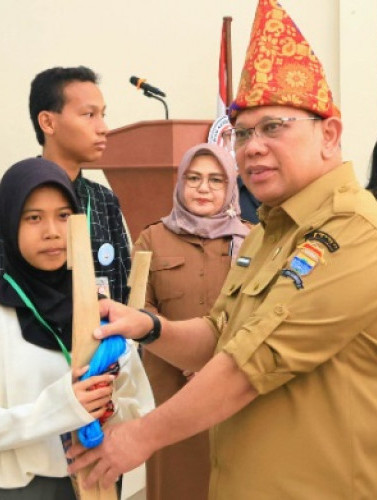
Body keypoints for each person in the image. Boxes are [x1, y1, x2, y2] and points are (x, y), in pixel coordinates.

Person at [68, 1, 377, 498]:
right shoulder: (265, 231)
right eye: (243, 132)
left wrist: (138, 438)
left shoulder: (356, 231)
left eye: (273, 127)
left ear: (329, 134)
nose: (252, 147)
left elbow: (247, 366)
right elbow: (222, 334)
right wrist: (148, 326)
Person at [0, 157, 154, 499]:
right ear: (8, 223)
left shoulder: (98, 308)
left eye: (64, 216)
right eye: (33, 217)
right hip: (9, 491)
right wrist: (58, 407)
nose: (52, 231)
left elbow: (137, 403)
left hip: (93, 485)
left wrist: (109, 410)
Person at [134, 142, 249, 500]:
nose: (203, 188)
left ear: (231, 186)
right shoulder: (152, 237)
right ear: (180, 182)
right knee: (176, 481)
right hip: (169, 385)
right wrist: (183, 354)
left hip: (234, 379)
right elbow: (140, 309)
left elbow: (258, 310)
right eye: (194, 178)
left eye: (216, 180)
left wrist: (214, 365)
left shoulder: (252, 239)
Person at [0, 66, 131, 303]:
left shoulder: (104, 199)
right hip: (34, 336)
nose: (103, 128)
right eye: (89, 115)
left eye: (103, 115)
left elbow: (122, 289)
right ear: (48, 123)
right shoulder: (10, 197)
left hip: (104, 337)